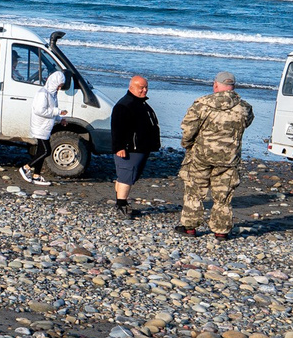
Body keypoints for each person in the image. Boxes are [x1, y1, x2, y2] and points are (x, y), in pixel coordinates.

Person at [176, 71, 253, 239]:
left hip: (201, 155)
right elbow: (246, 123)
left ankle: (190, 227)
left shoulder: (202, 104)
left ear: (216, 85)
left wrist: (187, 144)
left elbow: (188, 128)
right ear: (232, 86)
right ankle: (221, 231)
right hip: (228, 157)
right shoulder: (244, 107)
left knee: (194, 190)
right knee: (223, 195)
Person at [107, 74, 160, 217]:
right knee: (126, 177)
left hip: (140, 147)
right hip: (131, 149)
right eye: (141, 88)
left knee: (126, 177)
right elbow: (117, 128)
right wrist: (119, 147)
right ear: (131, 87)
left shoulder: (140, 102)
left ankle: (121, 204)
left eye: (146, 87)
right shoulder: (124, 104)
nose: (144, 90)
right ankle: (121, 206)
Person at [18, 70, 71, 184]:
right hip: (39, 126)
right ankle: (26, 168)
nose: (59, 89)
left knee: (41, 151)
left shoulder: (52, 94)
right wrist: (59, 111)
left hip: (46, 126)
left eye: (60, 87)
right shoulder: (43, 93)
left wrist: (60, 119)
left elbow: (51, 111)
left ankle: (36, 176)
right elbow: (40, 110)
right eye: (59, 86)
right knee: (46, 151)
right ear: (53, 83)